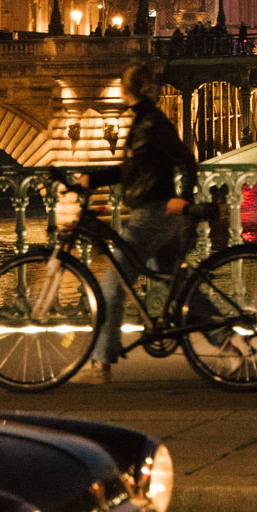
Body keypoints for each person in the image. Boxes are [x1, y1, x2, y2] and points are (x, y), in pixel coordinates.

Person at [68, 61, 197, 384]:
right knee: (178, 285)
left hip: (152, 215)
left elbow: (185, 158)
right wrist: (91, 178)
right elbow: (131, 170)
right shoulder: (144, 120)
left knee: (112, 287)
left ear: (125, 90)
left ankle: (100, 364)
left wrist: (185, 199)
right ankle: (228, 341)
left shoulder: (150, 122)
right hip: (157, 213)